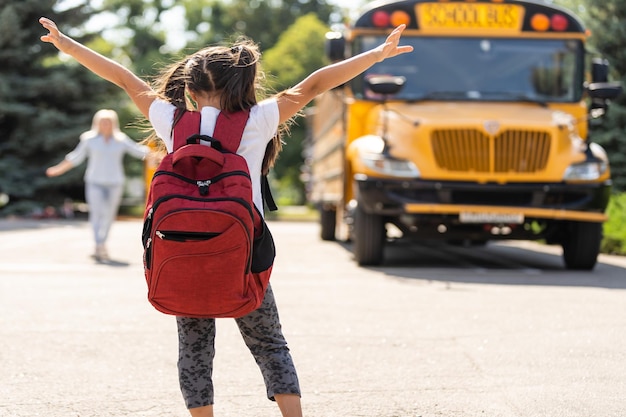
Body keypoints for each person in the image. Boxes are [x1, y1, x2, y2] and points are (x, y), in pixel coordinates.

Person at [39, 15, 412, 417]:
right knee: (270, 344)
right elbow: (316, 84)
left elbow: (127, 79)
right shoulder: (258, 120)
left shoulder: (171, 120)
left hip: (184, 248)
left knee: (195, 350)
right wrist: (376, 53)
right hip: (244, 254)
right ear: (240, 86)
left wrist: (69, 46)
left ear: (190, 88)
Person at [46, 109, 150, 260]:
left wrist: (160, 155)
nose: (106, 124)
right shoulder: (89, 139)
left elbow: (139, 151)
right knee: (97, 213)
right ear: (97, 123)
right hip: (95, 182)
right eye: (103, 122)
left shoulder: (120, 139)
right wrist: (58, 169)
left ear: (113, 123)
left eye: (108, 122)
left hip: (115, 183)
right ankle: (99, 245)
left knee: (108, 215)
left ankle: (102, 243)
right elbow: (75, 157)